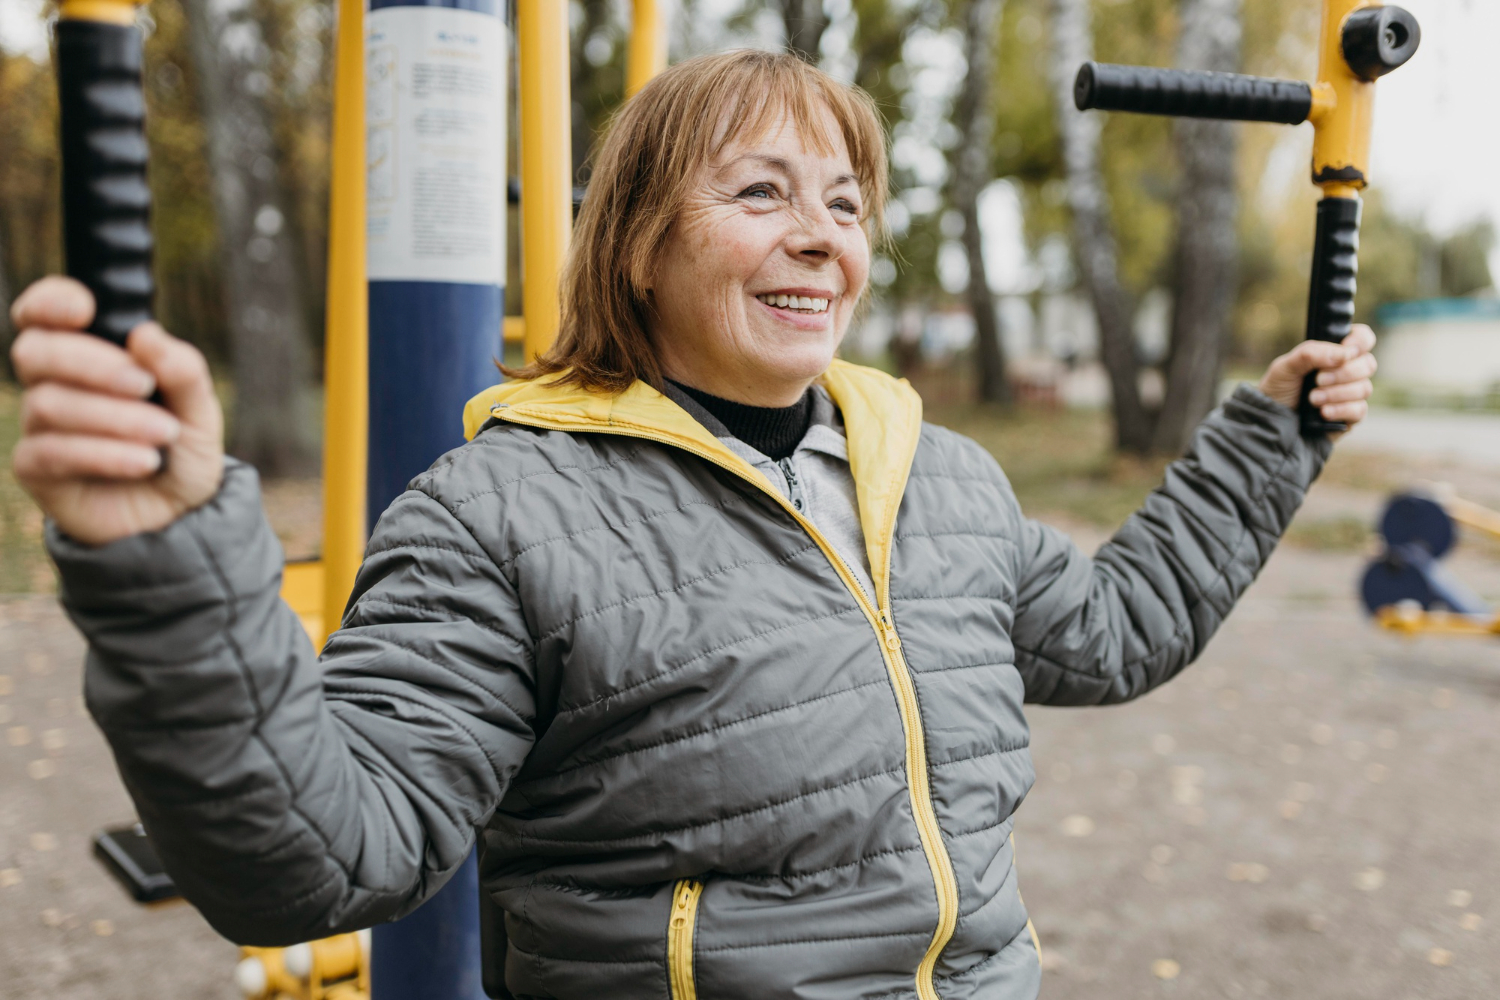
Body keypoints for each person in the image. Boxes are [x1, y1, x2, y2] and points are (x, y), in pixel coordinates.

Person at [11, 50, 1375, 1000]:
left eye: (845, 203)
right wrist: (171, 568)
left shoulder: (937, 476)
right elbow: (321, 858)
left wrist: (1272, 436)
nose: (819, 236)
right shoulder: (504, 513)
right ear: (639, 242)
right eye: (762, 192)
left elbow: (1120, 633)